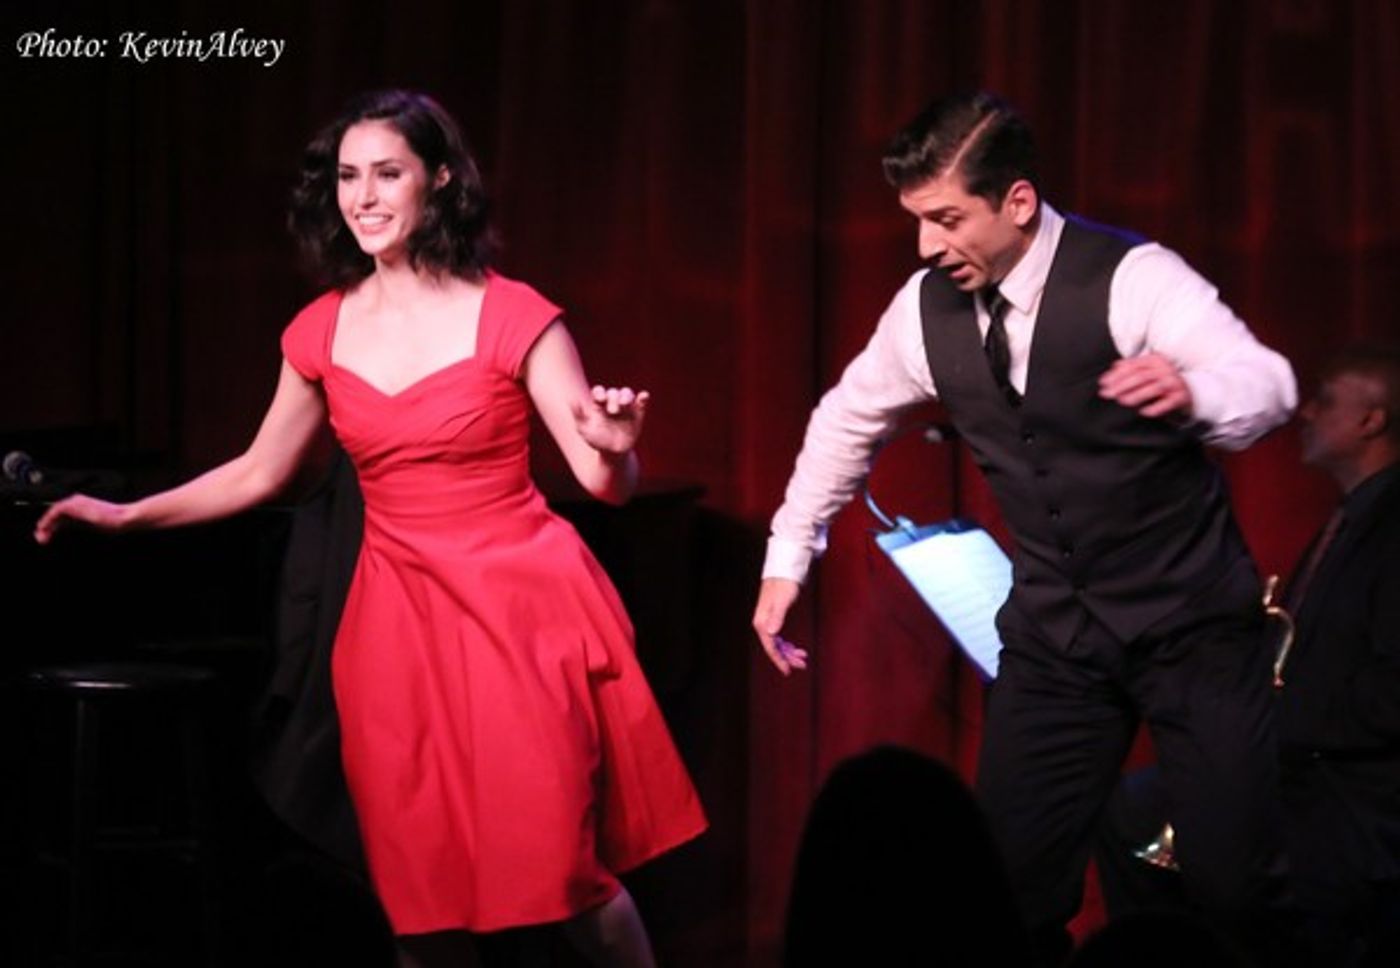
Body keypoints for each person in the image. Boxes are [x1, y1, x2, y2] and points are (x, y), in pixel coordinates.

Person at [35, 89, 706, 968]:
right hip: (393, 633)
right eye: (349, 177)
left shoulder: (516, 316)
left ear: (440, 180)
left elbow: (602, 485)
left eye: (388, 173)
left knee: (564, 878)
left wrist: (617, 449)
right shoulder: (322, 329)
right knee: (419, 902)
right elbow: (260, 471)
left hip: (517, 617)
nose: (364, 197)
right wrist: (125, 517)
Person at [751, 91, 1296, 964]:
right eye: (917, 220)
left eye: (946, 219)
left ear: (1017, 201)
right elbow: (846, 421)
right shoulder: (923, 309)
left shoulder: (1132, 278)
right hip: (1057, 638)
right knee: (1006, 889)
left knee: (1236, 888)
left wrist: (1194, 392)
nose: (927, 245)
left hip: (1189, 626)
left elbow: (1266, 383)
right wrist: (790, 557)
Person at [1098, 345, 1400, 967]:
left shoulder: (1390, 527)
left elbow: (1388, 697)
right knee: (1128, 809)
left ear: (1371, 420)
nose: (1306, 413)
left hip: (1351, 793)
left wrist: (1267, 723)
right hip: (1303, 768)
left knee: (1181, 838)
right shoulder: (1352, 516)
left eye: (1325, 400)